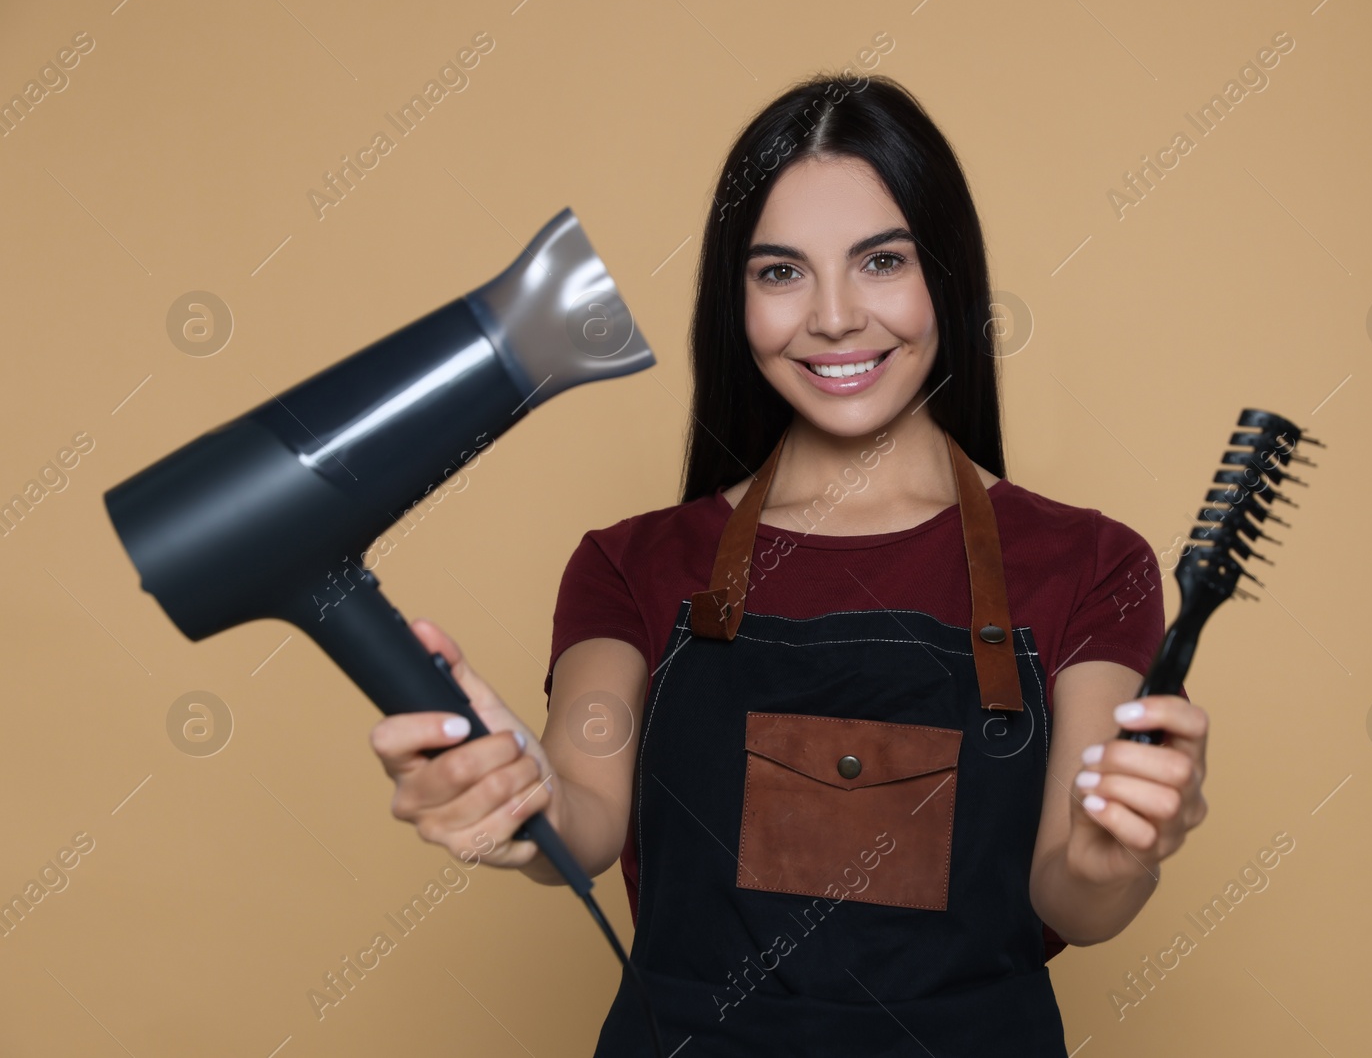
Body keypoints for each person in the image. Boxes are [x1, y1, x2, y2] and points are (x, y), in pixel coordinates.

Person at [369, 71, 1210, 1056]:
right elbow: (586, 812)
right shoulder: (632, 563)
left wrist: (1119, 852)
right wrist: (516, 791)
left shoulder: (1089, 563)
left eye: (881, 261)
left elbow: (1074, 891)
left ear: (945, 271)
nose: (836, 317)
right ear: (737, 300)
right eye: (780, 272)